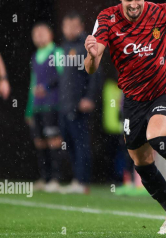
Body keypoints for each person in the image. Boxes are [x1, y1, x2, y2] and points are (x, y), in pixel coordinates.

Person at [84, 0, 166, 233]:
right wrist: (92, 56)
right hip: (133, 101)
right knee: (141, 163)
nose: (133, 3)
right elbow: (90, 68)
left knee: (156, 137)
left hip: (163, 92)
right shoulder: (107, 19)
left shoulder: (160, 11)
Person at [59, 12, 101, 194]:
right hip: (65, 104)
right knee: (69, 142)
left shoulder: (87, 45)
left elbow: (96, 74)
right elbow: (65, 77)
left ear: (81, 26)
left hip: (80, 104)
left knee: (81, 143)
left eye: (73, 26)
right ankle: (76, 179)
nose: (70, 30)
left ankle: (82, 181)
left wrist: (89, 98)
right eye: (66, 26)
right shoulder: (65, 46)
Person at [26, 22, 64, 193]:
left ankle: (56, 179)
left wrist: (47, 88)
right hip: (37, 108)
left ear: (51, 34)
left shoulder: (57, 52)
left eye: (42, 32)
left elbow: (64, 78)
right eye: (36, 33)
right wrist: (29, 109)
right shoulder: (34, 57)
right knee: (40, 142)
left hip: (53, 105)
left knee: (54, 141)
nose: (39, 36)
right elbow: (33, 84)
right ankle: (45, 177)